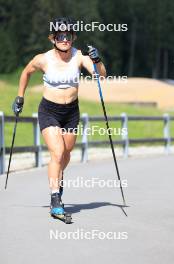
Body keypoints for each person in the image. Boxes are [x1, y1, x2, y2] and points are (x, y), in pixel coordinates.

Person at [12, 17, 106, 217]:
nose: (65, 40)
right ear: (53, 38)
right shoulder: (43, 59)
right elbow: (26, 72)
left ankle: (58, 176)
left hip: (71, 112)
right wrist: (20, 97)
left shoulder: (79, 57)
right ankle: (55, 198)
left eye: (69, 36)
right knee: (57, 151)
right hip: (49, 111)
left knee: (66, 154)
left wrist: (97, 60)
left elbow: (101, 76)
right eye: (61, 36)